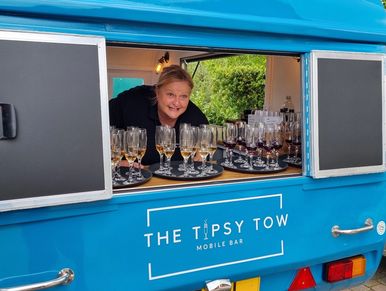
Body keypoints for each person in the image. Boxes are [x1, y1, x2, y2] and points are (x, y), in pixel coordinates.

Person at [109, 65, 208, 165]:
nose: (177, 103)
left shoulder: (196, 117)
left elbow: (207, 148)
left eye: (183, 96)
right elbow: (98, 126)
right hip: (134, 176)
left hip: (177, 179)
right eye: (170, 94)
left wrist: (202, 156)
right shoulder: (130, 102)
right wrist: (116, 162)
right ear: (157, 91)